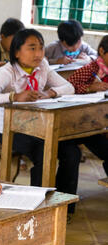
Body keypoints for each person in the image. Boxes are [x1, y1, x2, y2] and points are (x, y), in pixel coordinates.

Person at [0, 29, 80, 216]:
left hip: (40, 128)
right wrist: (14, 96)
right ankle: (39, 209)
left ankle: (64, 208)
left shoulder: (42, 66)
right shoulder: (7, 72)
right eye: (32, 48)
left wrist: (50, 93)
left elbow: (69, 87)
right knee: (44, 152)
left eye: (41, 48)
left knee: (72, 152)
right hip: (11, 130)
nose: (38, 54)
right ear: (17, 52)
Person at [68, 35, 108, 177]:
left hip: (101, 122)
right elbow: (69, 87)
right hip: (84, 124)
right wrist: (89, 87)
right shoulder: (90, 68)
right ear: (102, 51)